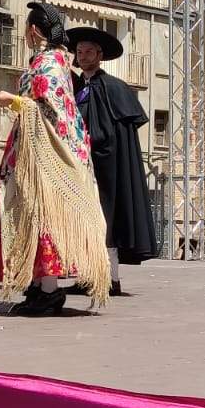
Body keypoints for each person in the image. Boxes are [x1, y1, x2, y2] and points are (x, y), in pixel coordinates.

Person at [0, 3, 112, 314]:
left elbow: (48, 110)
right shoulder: (56, 63)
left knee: (43, 216)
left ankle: (50, 289)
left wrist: (13, 101)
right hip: (39, 150)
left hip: (45, 155)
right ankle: (40, 285)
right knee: (37, 216)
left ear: (32, 31)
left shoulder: (46, 66)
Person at [68, 26, 159, 295]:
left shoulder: (113, 87)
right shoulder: (76, 87)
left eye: (88, 52)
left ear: (99, 54)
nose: (83, 56)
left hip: (108, 166)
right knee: (84, 219)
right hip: (82, 163)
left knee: (108, 218)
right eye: (79, 51)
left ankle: (110, 278)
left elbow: (114, 131)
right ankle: (86, 276)